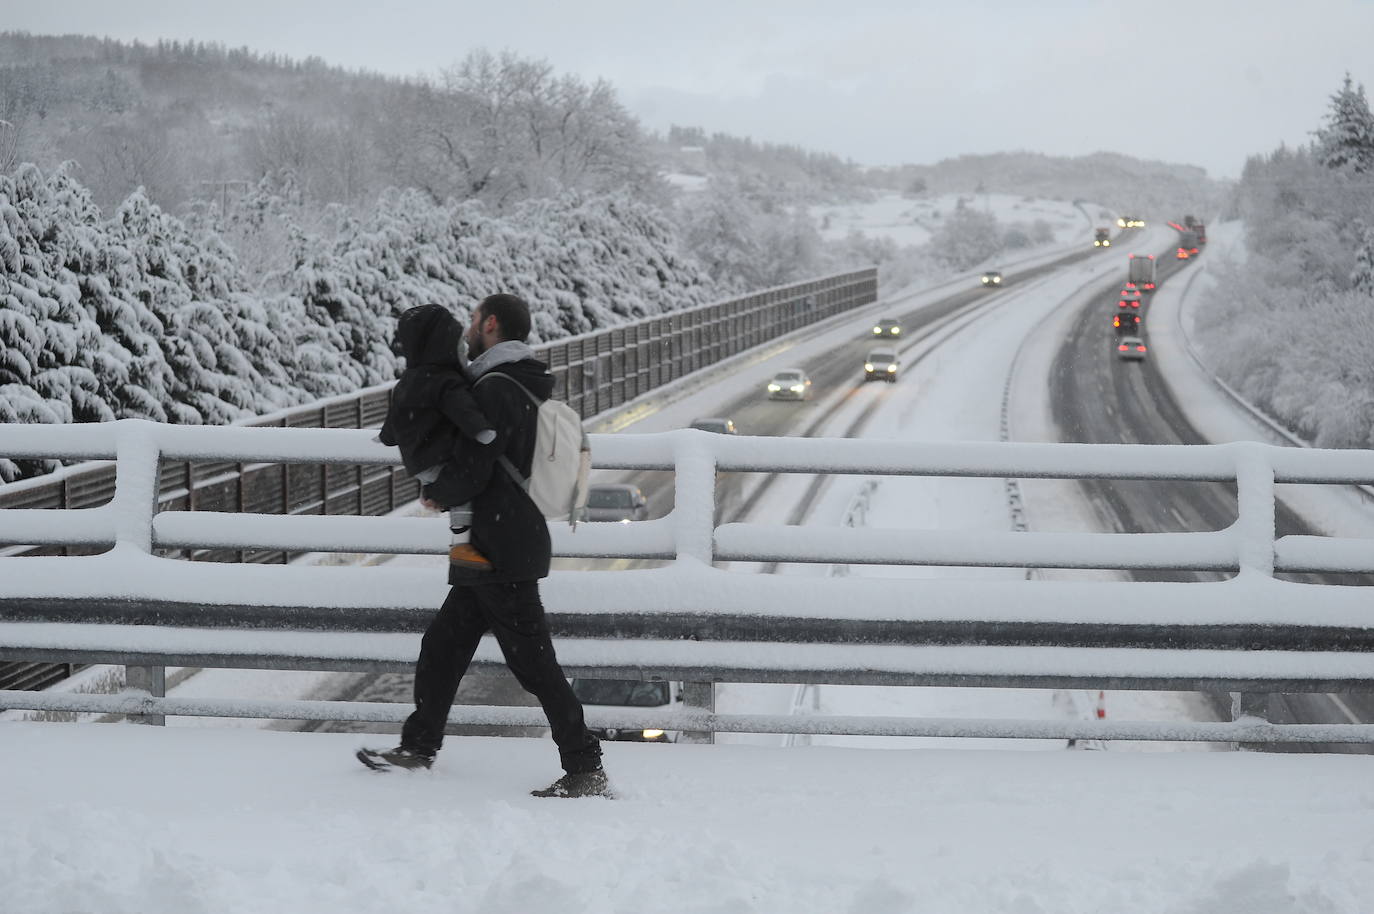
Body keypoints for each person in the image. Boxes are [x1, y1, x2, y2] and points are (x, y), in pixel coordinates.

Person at [358, 293, 607, 799]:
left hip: (501, 544)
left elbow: (477, 462)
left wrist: (436, 491)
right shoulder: (518, 380)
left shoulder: (495, 387)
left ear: (490, 324)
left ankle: (586, 767)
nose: (468, 329)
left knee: (534, 665)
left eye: (473, 320)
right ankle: (418, 747)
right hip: (497, 538)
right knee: (443, 649)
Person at [378, 304, 496, 570]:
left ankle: (452, 523)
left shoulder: (407, 382)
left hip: (419, 461)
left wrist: (386, 438)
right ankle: (462, 545)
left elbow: (394, 420)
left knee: (454, 489)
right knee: (466, 490)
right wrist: (481, 430)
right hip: (439, 456)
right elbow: (463, 410)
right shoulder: (445, 381)